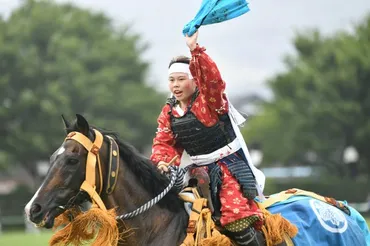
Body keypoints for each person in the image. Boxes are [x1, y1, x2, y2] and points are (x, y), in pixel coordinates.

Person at [150, 31, 266, 245]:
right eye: (171, 80)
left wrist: (195, 51)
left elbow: (213, 81)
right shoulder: (168, 112)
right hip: (195, 171)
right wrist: (162, 163)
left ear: (194, 81)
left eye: (181, 79)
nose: (175, 85)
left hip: (227, 167)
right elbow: (163, 144)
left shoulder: (209, 100)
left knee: (235, 218)